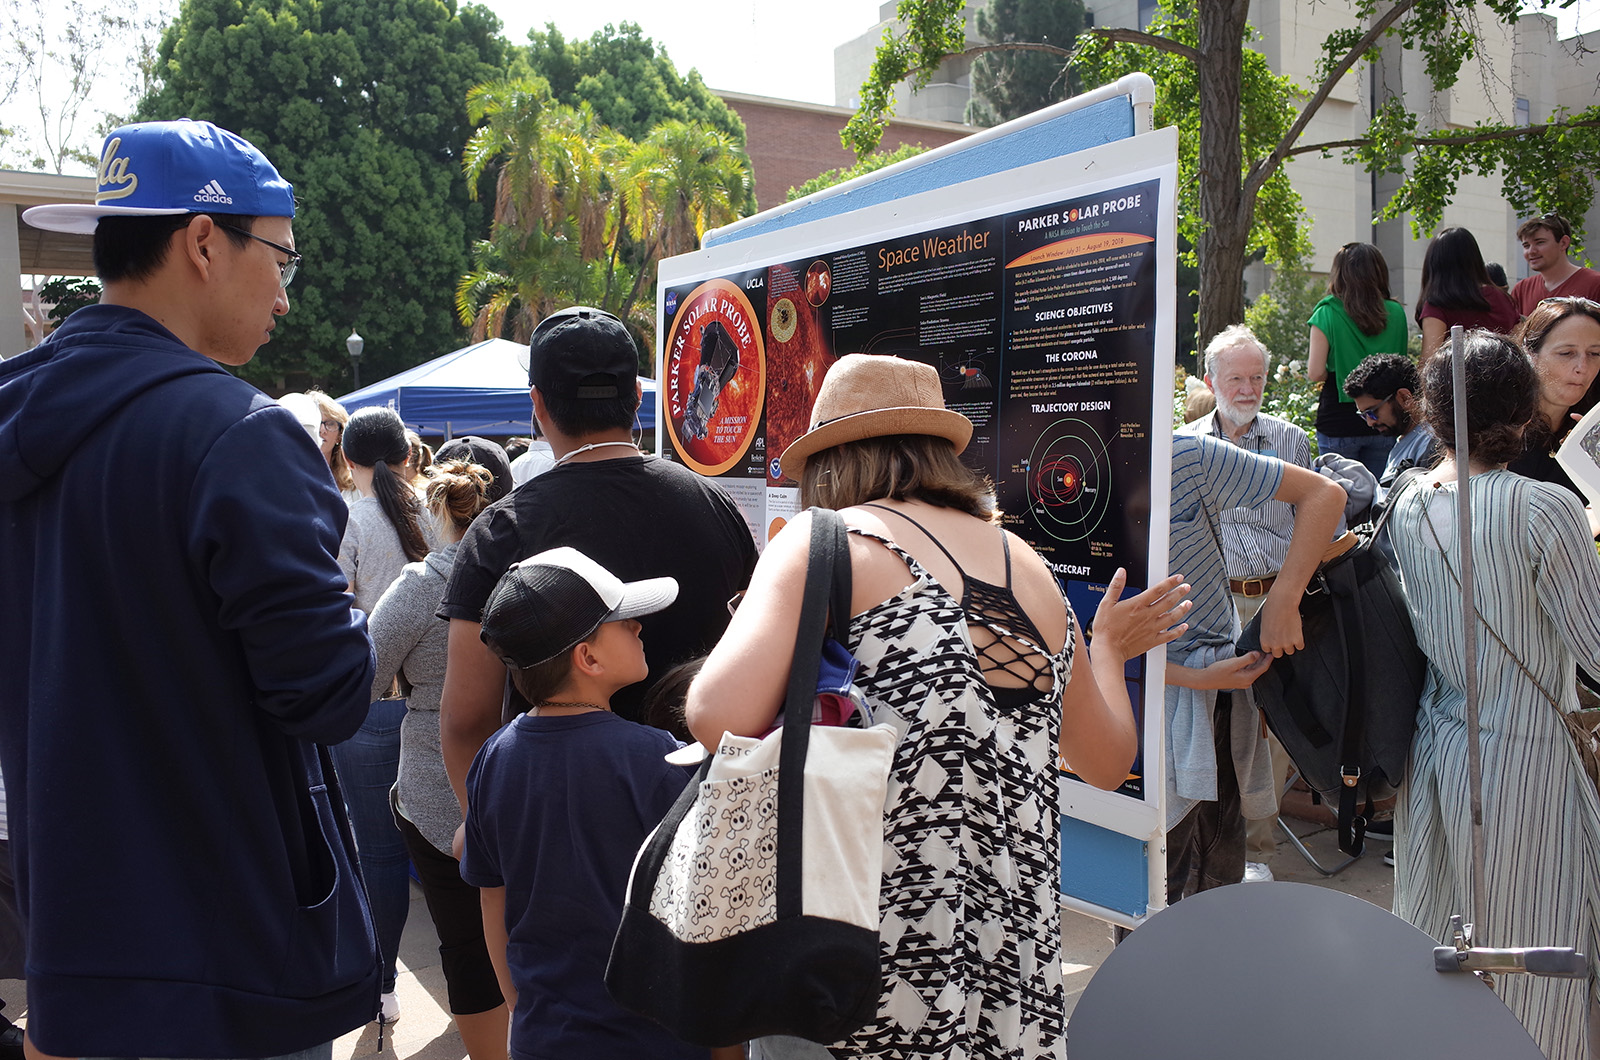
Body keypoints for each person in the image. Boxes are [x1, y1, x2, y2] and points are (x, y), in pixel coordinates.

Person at [686, 354, 1195, 1059]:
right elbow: (1105, 762)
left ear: (828, 462)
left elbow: (715, 714)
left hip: (856, 952)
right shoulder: (1031, 568)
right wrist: (1105, 650)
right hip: (1008, 963)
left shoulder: (823, 541)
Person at [0, 119, 377, 1057]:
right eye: (282, 259)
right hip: (230, 962)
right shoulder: (240, 434)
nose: (286, 296)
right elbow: (327, 692)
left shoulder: (17, 415)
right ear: (205, 242)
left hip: (70, 952)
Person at [439, 306, 756, 827]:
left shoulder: (504, 530)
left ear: (537, 403)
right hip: (702, 824)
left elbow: (466, 719)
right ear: (636, 395)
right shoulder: (717, 507)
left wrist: (490, 835)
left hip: (558, 826)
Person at [1387, 331, 1600, 1060]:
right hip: (1527, 752)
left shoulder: (1408, 503)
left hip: (1438, 744)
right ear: (1522, 406)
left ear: (1436, 413)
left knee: (1445, 933)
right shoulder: (1545, 509)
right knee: (1535, 943)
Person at [460, 547, 707, 1060]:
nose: (639, 627)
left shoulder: (493, 758)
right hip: (654, 1040)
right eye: (621, 621)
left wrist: (521, 1010)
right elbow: (701, 909)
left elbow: (493, 898)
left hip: (544, 1036)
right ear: (587, 658)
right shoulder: (658, 755)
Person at [1162, 430, 1346, 902]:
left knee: (1215, 875)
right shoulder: (1045, 476)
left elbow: (1324, 493)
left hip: (1215, 699)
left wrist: (1284, 599)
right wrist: (1191, 676)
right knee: (1150, 887)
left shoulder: (1183, 455)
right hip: (1129, 701)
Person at [368, 459, 508, 1057]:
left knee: (465, 943)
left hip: (434, 789)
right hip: (521, 770)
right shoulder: (526, 574)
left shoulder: (423, 585)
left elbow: (364, 674)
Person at [1178, 324, 1315, 878]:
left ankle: (1258, 850)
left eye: (1257, 377)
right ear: (1212, 380)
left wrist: (1294, 596)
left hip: (1272, 601)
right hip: (1208, 606)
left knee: (1271, 723)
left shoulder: (1290, 441)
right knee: (1212, 719)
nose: (1248, 388)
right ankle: (1210, 843)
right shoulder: (1187, 443)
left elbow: (1313, 515)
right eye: (1236, 378)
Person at [336, 403, 433, 1025]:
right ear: (405, 454)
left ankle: (382, 979)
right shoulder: (436, 507)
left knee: (377, 852)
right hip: (436, 702)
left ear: (347, 458)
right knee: (445, 846)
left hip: (370, 705)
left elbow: (333, 606)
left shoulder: (347, 519)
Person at [1308, 242, 1409, 477]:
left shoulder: (1326, 312)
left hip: (1338, 420)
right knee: (1382, 500)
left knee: (1339, 504)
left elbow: (1315, 372)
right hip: (1386, 418)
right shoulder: (1396, 313)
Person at [1507, 296, 1600, 513]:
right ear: (1530, 354)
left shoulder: (1592, 424)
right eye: (1566, 353)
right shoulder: (1500, 426)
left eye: (1595, 354)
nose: (1582, 367)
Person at [1414, 226, 1520, 362]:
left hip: (1457, 382)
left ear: (1434, 265)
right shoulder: (1503, 299)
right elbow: (1519, 348)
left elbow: (1428, 363)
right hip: (1506, 379)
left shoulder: (1437, 305)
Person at [1344, 353, 1438, 501]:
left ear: (1404, 397)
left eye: (1373, 412)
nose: (1370, 422)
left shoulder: (1432, 446)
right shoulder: (1408, 437)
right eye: (1364, 415)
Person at [1510, 213, 1600, 316]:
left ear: (1563, 243)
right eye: (1526, 246)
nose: (1531, 251)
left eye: (1540, 242)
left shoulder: (1595, 284)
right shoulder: (1521, 290)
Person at [310, 388, 359, 502]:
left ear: (339, 435)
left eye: (330, 424)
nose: (322, 430)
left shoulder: (356, 482)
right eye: (315, 422)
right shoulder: (290, 479)